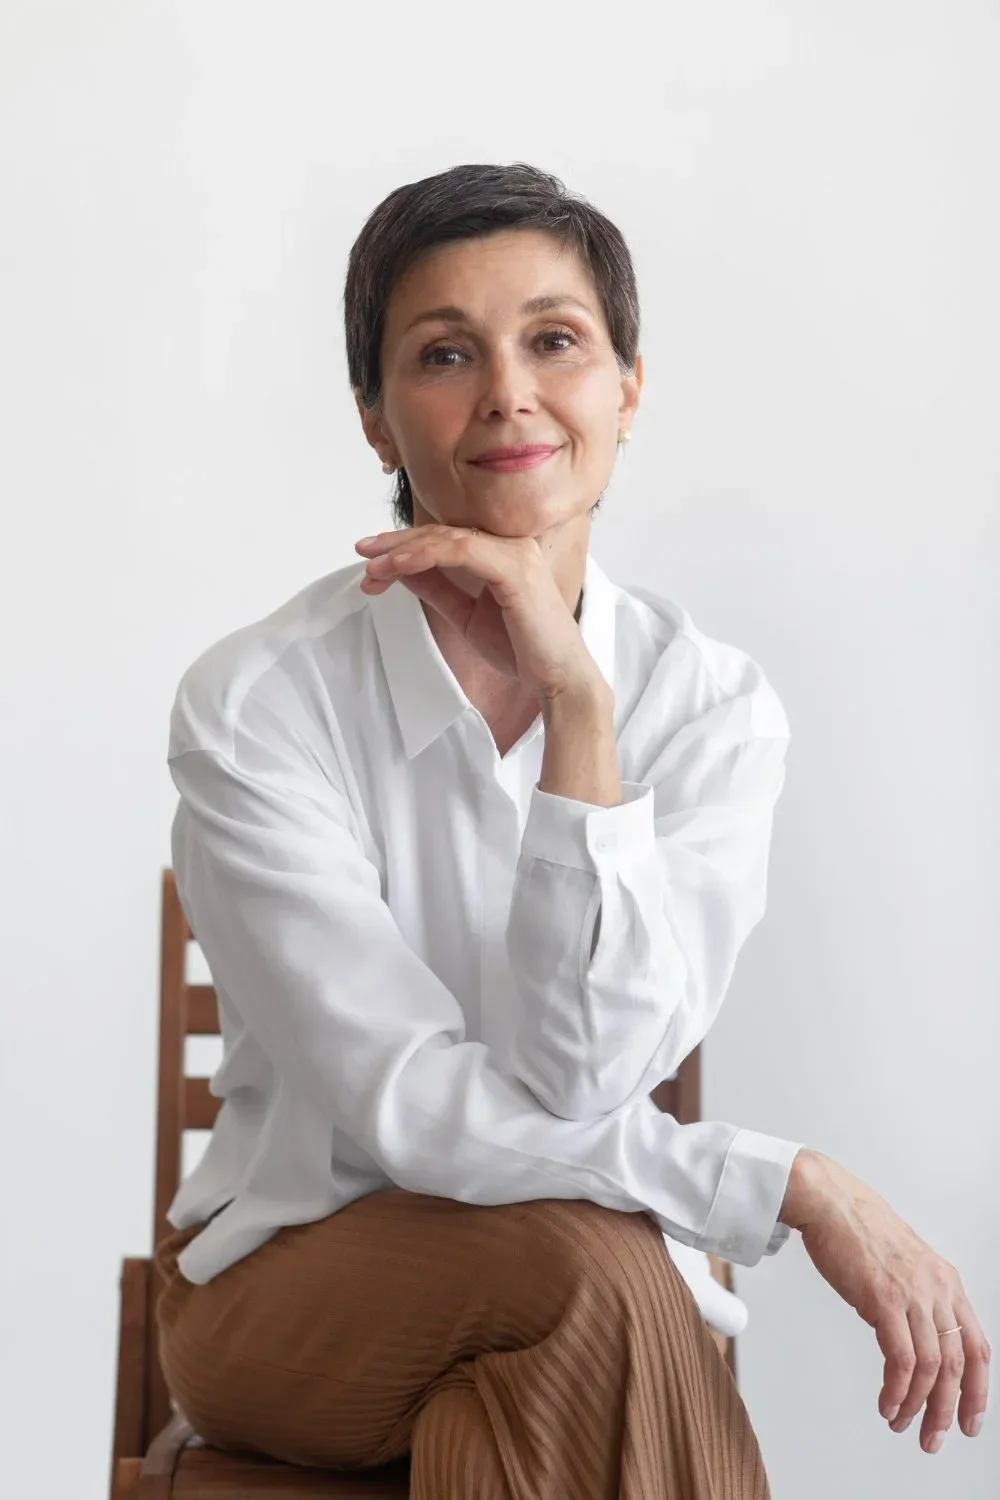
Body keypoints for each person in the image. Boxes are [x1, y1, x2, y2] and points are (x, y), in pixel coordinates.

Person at [154, 162, 989, 1498]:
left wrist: (578, 711)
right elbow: (415, 1112)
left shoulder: (710, 708)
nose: (508, 392)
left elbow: (587, 1077)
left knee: (527, 1401)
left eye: (555, 341)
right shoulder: (261, 703)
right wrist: (787, 1184)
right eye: (444, 353)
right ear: (375, 418)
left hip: (572, 1303)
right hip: (289, 1294)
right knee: (591, 1274)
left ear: (628, 389)